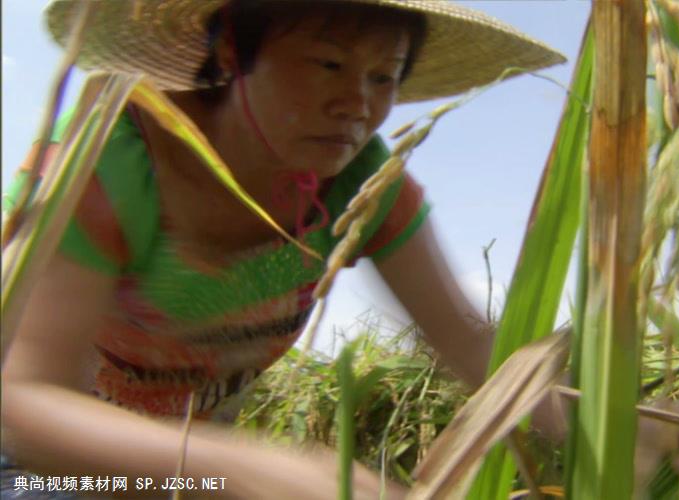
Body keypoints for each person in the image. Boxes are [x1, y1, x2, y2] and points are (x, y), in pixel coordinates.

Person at [0, 1, 566, 498]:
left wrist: (596, 426)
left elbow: (467, 338)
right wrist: (238, 470)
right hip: (39, 472)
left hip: (188, 476)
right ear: (228, 52)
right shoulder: (108, 161)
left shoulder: (363, 186)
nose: (357, 104)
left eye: (384, 77)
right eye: (328, 64)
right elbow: (22, 403)